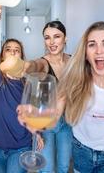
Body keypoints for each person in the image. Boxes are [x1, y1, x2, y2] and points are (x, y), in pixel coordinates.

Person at [19, 21, 104, 173]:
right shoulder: (74, 78)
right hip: (81, 151)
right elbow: (56, 112)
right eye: (92, 44)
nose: (99, 50)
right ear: (85, 53)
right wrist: (36, 122)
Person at [0, 4, 33, 173]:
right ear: (2, 54)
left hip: (21, 146)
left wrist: (38, 133)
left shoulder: (27, 84)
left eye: (16, 50)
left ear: (21, 56)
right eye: (8, 49)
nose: (12, 53)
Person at [23, 21, 73, 173]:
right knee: (46, 169)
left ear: (65, 39)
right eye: (47, 37)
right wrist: (25, 66)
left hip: (69, 123)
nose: (51, 42)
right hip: (47, 124)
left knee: (64, 167)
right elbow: (34, 66)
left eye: (57, 36)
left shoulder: (73, 62)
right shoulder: (43, 63)